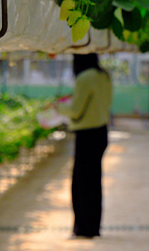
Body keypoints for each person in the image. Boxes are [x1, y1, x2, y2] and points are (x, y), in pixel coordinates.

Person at [55, 53, 113, 239]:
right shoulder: (104, 75)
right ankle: (93, 226)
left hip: (86, 134)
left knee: (81, 184)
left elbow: (75, 110)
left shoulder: (84, 78)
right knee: (93, 182)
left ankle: (84, 228)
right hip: (101, 131)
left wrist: (58, 107)